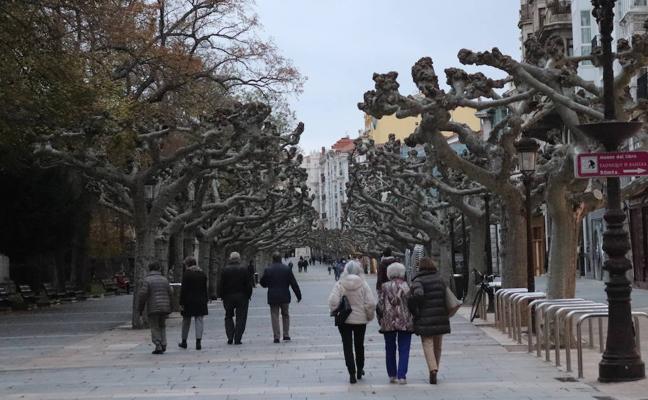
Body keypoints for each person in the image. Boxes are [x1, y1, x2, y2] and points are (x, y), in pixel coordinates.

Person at [328, 260, 375, 384]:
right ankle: (360, 369)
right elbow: (370, 303)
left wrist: (335, 310)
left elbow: (333, 301)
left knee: (347, 346)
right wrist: (369, 316)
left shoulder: (340, 284)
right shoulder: (364, 284)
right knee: (359, 345)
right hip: (360, 320)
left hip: (345, 320)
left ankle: (351, 373)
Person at [408, 257, 451, 385]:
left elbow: (418, 294)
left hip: (425, 317)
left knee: (427, 343)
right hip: (440, 316)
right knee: (438, 346)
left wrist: (415, 307)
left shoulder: (418, 280)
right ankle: (435, 369)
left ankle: (432, 369)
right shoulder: (440, 279)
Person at [377, 262, 414, 384]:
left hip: (388, 321)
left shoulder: (384, 287)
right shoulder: (406, 286)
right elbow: (411, 304)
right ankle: (402, 375)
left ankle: (392, 374)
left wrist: (380, 319)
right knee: (404, 348)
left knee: (390, 348)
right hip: (404, 321)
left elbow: (380, 305)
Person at [260, 252, 302, 343]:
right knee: (285, 315)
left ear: (273, 259)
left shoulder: (268, 269)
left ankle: (276, 336)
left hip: (273, 296)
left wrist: (268, 283)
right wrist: (298, 295)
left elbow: (263, 283)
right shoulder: (287, 269)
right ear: (280, 259)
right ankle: (286, 334)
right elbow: (293, 283)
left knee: (274, 316)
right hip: (284, 295)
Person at [137, 262, 172, 354]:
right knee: (162, 325)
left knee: (154, 326)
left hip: (153, 307)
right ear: (159, 269)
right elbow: (170, 291)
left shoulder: (147, 280)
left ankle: (158, 345)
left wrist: (140, 309)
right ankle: (164, 342)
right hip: (164, 306)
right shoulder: (165, 279)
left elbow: (143, 295)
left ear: (149, 269)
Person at [218, 252, 253, 345]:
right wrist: (248, 295)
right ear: (239, 259)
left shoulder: (225, 270)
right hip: (242, 297)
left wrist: (221, 295)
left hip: (228, 297)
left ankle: (230, 336)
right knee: (241, 318)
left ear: (230, 259)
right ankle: (237, 338)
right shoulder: (244, 269)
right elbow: (248, 285)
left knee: (228, 316)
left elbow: (221, 284)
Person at [178, 256, 208, 350]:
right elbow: (204, 289)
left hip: (189, 301)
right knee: (199, 320)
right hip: (200, 300)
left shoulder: (187, 274)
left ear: (187, 264)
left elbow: (184, 290)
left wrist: (181, 302)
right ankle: (198, 341)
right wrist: (206, 299)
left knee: (186, 321)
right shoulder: (202, 274)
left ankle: (184, 341)